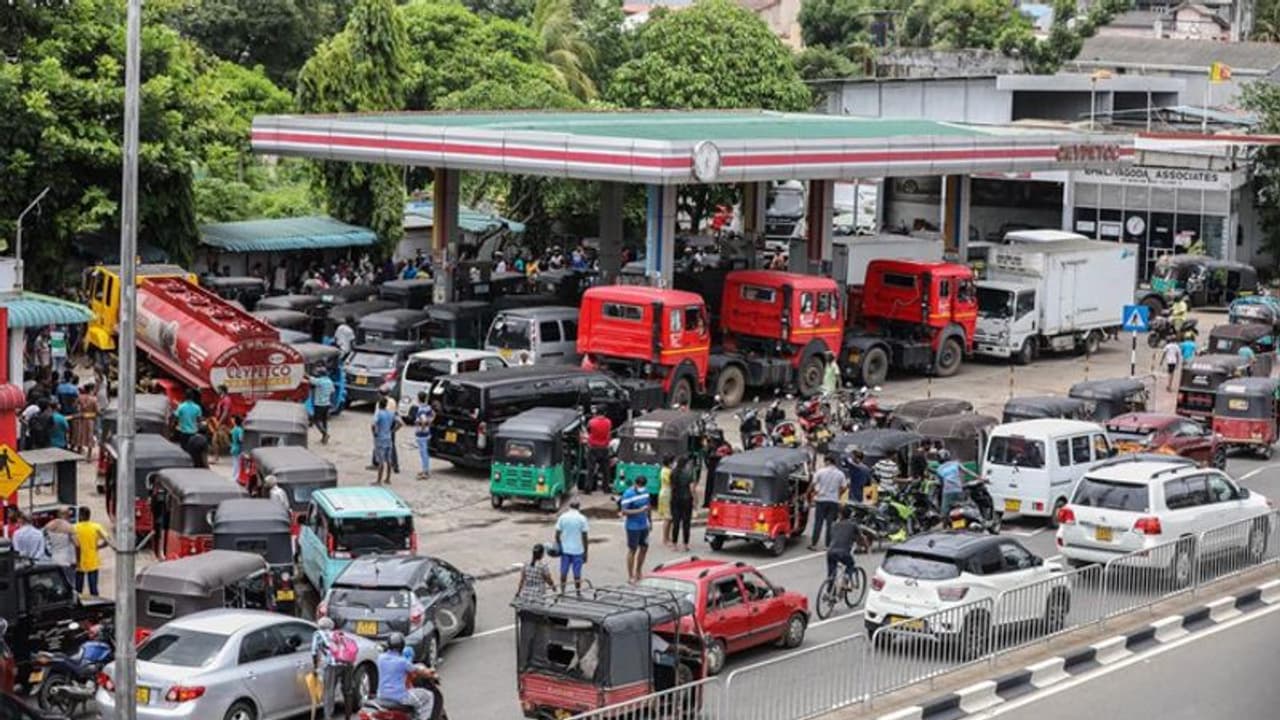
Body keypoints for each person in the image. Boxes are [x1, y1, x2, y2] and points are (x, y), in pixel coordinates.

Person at [375, 633, 437, 720]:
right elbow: (419, 671)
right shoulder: (403, 662)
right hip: (399, 697)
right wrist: (431, 672)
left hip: (381, 696)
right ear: (402, 647)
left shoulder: (380, 658)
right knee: (429, 696)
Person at [311, 616, 355, 720]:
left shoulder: (318, 634)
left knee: (329, 691)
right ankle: (348, 715)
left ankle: (328, 716)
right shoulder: (339, 634)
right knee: (348, 690)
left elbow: (314, 652)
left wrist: (315, 667)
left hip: (332, 665)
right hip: (347, 664)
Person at [807, 455, 848, 551]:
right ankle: (828, 545)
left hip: (821, 500)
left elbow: (813, 484)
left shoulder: (820, 472)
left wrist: (807, 494)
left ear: (827, 461)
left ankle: (814, 544)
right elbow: (844, 487)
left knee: (818, 523)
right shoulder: (840, 474)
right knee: (830, 524)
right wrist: (838, 495)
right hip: (833, 501)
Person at [74, 507, 111, 597]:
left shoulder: (75, 528)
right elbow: (108, 540)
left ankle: (78, 603)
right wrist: (99, 547)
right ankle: (95, 603)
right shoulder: (96, 527)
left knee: (78, 589)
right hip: (93, 561)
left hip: (79, 562)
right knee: (93, 589)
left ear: (81, 516)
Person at [620, 475, 652, 583]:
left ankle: (638, 571)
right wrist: (639, 510)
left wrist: (650, 521)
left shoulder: (646, 492)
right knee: (632, 550)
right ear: (635, 483)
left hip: (644, 525)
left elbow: (648, 507)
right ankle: (630, 575)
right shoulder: (628, 494)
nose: (641, 488)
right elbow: (624, 511)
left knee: (644, 548)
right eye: (639, 486)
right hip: (633, 526)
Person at [554, 500, 589, 595]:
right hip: (578, 550)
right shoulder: (582, 519)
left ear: (570, 506)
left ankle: (563, 591)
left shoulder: (563, 517)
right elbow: (585, 537)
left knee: (563, 572)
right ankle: (578, 592)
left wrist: (560, 546)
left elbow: (557, 535)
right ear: (578, 507)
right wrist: (586, 552)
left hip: (565, 550)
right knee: (577, 573)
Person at [934, 449, 978, 516]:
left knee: (944, 513)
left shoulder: (939, 469)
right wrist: (979, 477)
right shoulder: (956, 463)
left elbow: (941, 483)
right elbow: (967, 471)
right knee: (963, 508)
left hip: (948, 492)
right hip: (958, 490)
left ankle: (944, 521)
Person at [669, 455, 697, 553]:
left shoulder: (673, 473)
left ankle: (674, 544)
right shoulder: (688, 474)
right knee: (686, 522)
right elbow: (692, 489)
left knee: (676, 522)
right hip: (686, 499)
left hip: (675, 498)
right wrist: (695, 501)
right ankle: (685, 544)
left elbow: (671, 486)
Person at [825, 505, 859, 580]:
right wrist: (867, 547)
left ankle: (830, 585)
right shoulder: (853, 525)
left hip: (830, 552)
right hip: (843, 553)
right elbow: (861, 537)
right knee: (851, 564)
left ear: (840, 515)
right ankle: (846, 577)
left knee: (831, 573)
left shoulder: (834, 525)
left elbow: (831, 537)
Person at [371, 398, 400, 485]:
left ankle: (379, 480)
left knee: (381, 460)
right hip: (388, 437)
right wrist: (393, 430)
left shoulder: (379, 413)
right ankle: (388, 478)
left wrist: (374, 433)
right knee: (388, 459)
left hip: (380, 438)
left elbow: (373, 424)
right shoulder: (390, 413)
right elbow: (400, 423)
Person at [584, 407, 612, 493]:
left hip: (593, 447)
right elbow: (609, 431)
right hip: (604, 447)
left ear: (596, 413)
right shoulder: (608, 422)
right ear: (605, 413)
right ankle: (606, 488)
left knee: (590, 469)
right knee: (606, 470)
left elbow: (588, 430)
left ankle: (588, 488)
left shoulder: (591, 422)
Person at [410, 392, 434, 480]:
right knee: (425, 452)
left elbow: (423, 420)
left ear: (418, 399)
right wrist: (429, 423)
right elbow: (433, 415)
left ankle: (425, 471)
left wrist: (422, 427)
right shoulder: (428, 407)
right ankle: (425, 469)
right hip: (427, 433)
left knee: (423, 453)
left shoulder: (421, 410)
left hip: (421, 434)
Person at [73, 383, 97, 460]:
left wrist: (80, 409)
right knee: (89, 437)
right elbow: (96, 410)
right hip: (90, 419)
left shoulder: (80, 397)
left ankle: (79, 453)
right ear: (91, 390)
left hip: (81, 418)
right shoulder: (94, 399)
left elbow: (74, 406)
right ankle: (89, 456)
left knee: (80, 436)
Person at [310, 367, 335, 445]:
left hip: (319, 404)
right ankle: (324, 438)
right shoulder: (330, 381)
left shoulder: (319, 381)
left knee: (316, 421)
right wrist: (331, 403)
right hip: (327, 404)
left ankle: (325, 434)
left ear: (320, 374)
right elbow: (332, 392)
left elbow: (310, 379)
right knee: (324, 421)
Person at [209, 385, 233, 461]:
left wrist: (219, 423)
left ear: (222, 390)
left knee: (221, 441)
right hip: (221, 424)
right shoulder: (222, 399)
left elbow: (225, 412)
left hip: (224, 424)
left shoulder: (226, 400)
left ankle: (236, 452)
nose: (217, 391)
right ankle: (216, 457)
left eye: (219, 389)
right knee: (217, 441)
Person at [657, 456, 674, 548]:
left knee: (670, 518)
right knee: (667, 518)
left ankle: (668, 537)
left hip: (666, 493)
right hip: (667, 494)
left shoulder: (665, 470)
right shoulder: (667, 471)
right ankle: (665, 538)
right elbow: (671, 483)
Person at [228, 415, 245, 482]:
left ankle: (233, 476)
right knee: (238, 464)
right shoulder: (240, 430)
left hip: (233, 447)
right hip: (239, 448)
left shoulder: (234, 429)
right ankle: (236, 477)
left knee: (235, 463)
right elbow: (241, 439)